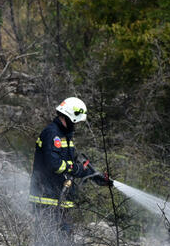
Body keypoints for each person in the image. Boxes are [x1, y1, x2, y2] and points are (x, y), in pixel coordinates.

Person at [29, 97, 113, 232]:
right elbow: (55, 164)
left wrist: (95, 176)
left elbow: (73, 163)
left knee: (65, 242)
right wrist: (76, 169)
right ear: (70, 117)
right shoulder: (52, 134)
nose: (77, 125)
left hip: (59, 199)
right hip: (46, 198)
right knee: (46, 242)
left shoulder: (65, 136)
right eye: (76, 121)